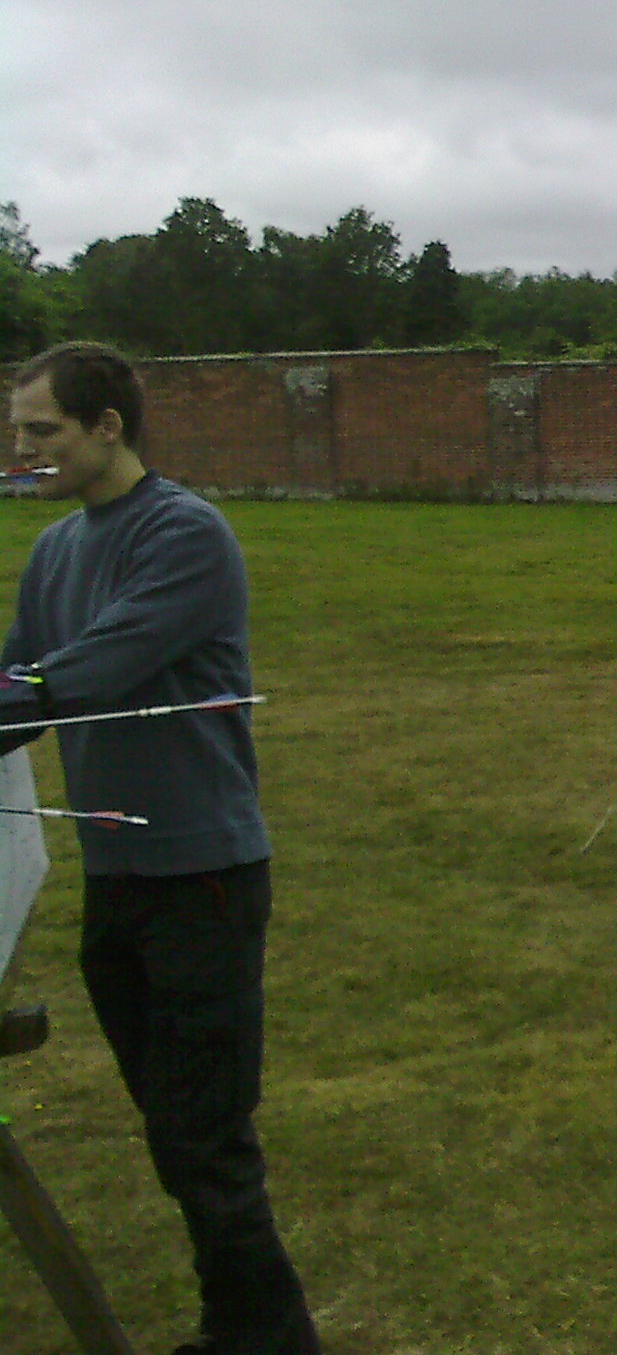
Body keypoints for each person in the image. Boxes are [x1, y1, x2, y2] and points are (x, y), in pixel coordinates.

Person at [1, 342, 320, 1355]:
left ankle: (267, 1339)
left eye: (42, 431)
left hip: (203, 879)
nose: (24, 449)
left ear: (108, 427)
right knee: (173, 1127)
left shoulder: (184, 535)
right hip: (118, 878)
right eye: (17, 432)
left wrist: (19, 697)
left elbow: (88, 672)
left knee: (204, 1135)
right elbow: (20, 689)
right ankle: (244, 1328)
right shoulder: (55, 550)